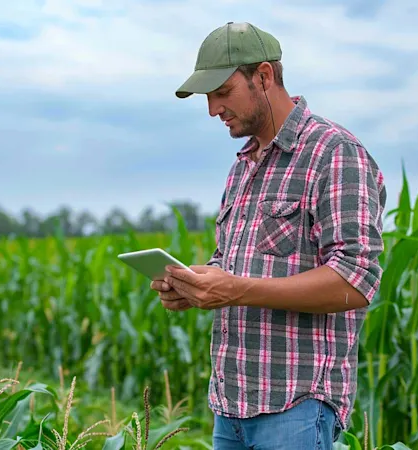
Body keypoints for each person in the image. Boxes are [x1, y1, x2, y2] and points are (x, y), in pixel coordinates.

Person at [150, 22, 387, 449]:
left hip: (297, 405)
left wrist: (236, 289)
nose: (212, 109)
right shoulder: (242, 166)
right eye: (207, 98)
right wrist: (197, 284)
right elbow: (235, 266)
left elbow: (356, 280)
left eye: (222, 93)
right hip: (232, 406)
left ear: (263, 76)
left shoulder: (334, 153)